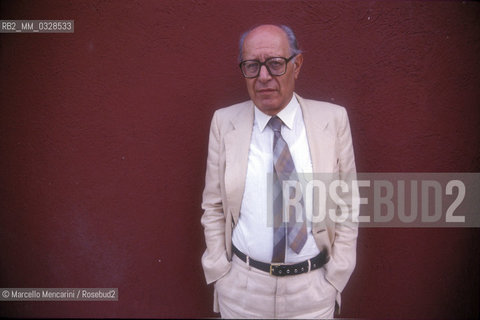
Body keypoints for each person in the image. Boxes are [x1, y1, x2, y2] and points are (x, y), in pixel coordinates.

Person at [201, 24, 358, 319]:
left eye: (275, 63)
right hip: (243, 292)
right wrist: (220, 272)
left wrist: (336, 275)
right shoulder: (224, 123)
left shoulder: (333, 120)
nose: (263, 77)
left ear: (296, 65)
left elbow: (348, 203)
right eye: (252, 65)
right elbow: (213, 205)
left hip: (312, 292)